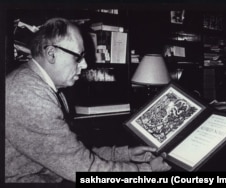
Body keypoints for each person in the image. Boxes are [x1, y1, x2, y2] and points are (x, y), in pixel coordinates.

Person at [5, 17, 171, 183]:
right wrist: (147, 170)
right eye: (78, 57)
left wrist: (124, 154)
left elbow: (71, 154)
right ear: (51, 54)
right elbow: (85, 169)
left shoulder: (40, 85)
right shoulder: (29, 94)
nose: (84, 65)